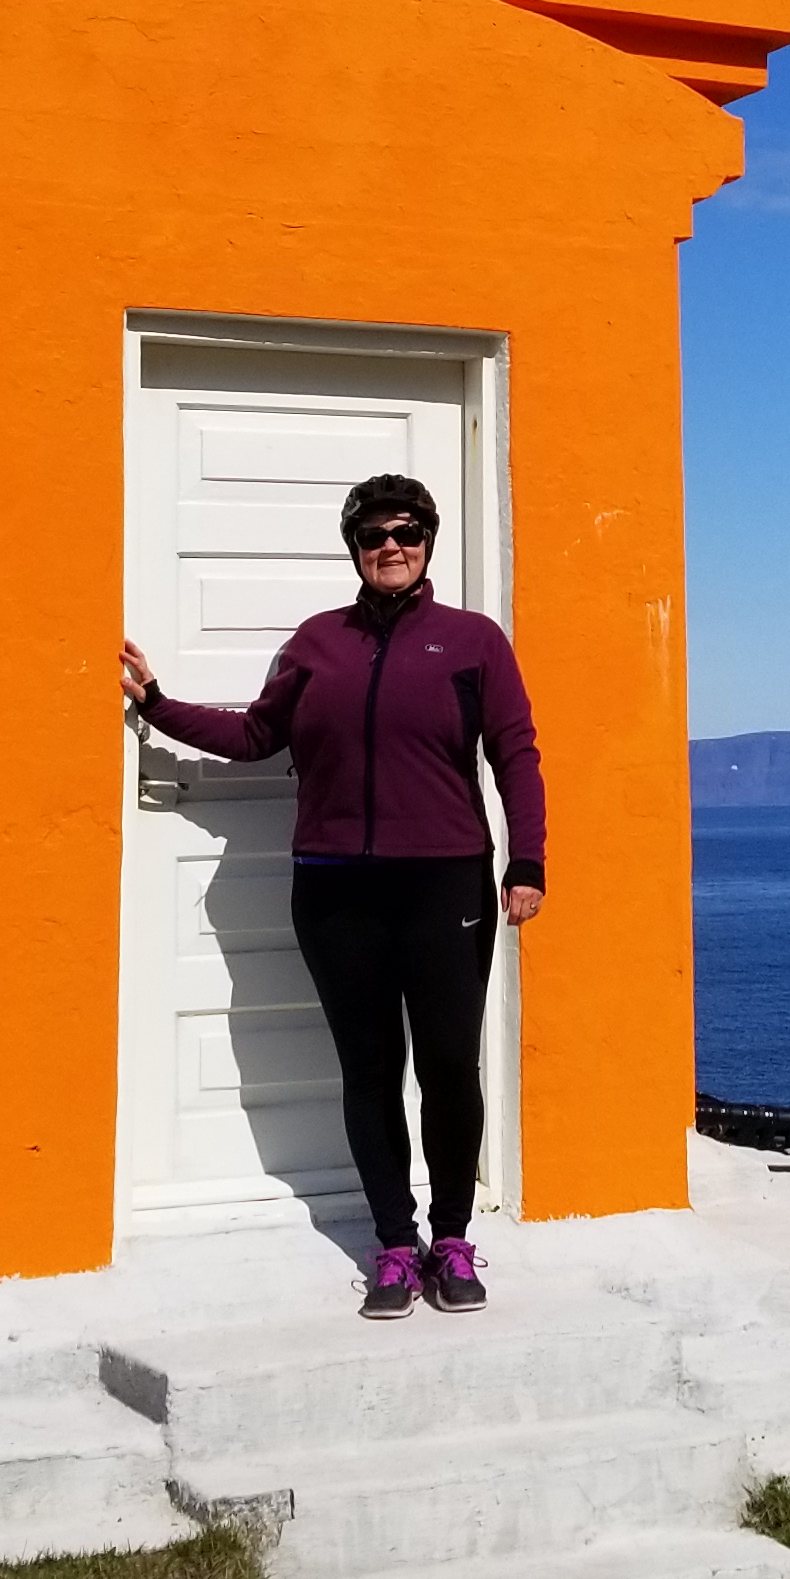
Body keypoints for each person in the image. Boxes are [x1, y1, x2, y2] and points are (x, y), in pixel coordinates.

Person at [120, 474, 544, 1322]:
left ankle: (452, 1238)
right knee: (370, 1070)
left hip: (445, 882)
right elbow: (254, 737)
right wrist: (158, 706)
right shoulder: (316, 643)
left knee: (450, 1067)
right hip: (335, 888)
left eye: (410, 532)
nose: (394, 546)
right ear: (353, 546)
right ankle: (394, 1243)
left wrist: (526, 863)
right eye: (376, 534)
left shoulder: (473, 642)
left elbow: (516, 753)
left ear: (428, 543)